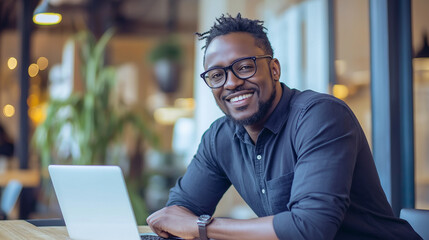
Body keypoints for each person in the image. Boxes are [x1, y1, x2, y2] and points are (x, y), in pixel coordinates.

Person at [146, 14, 421, 240]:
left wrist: (202, 227)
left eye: (244, 67)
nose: (230, 83)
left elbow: (311, 227)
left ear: (274, 69)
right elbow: (180, 212)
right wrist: (179, 221)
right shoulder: (220, 137)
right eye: (217, 75)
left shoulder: (320, 116)